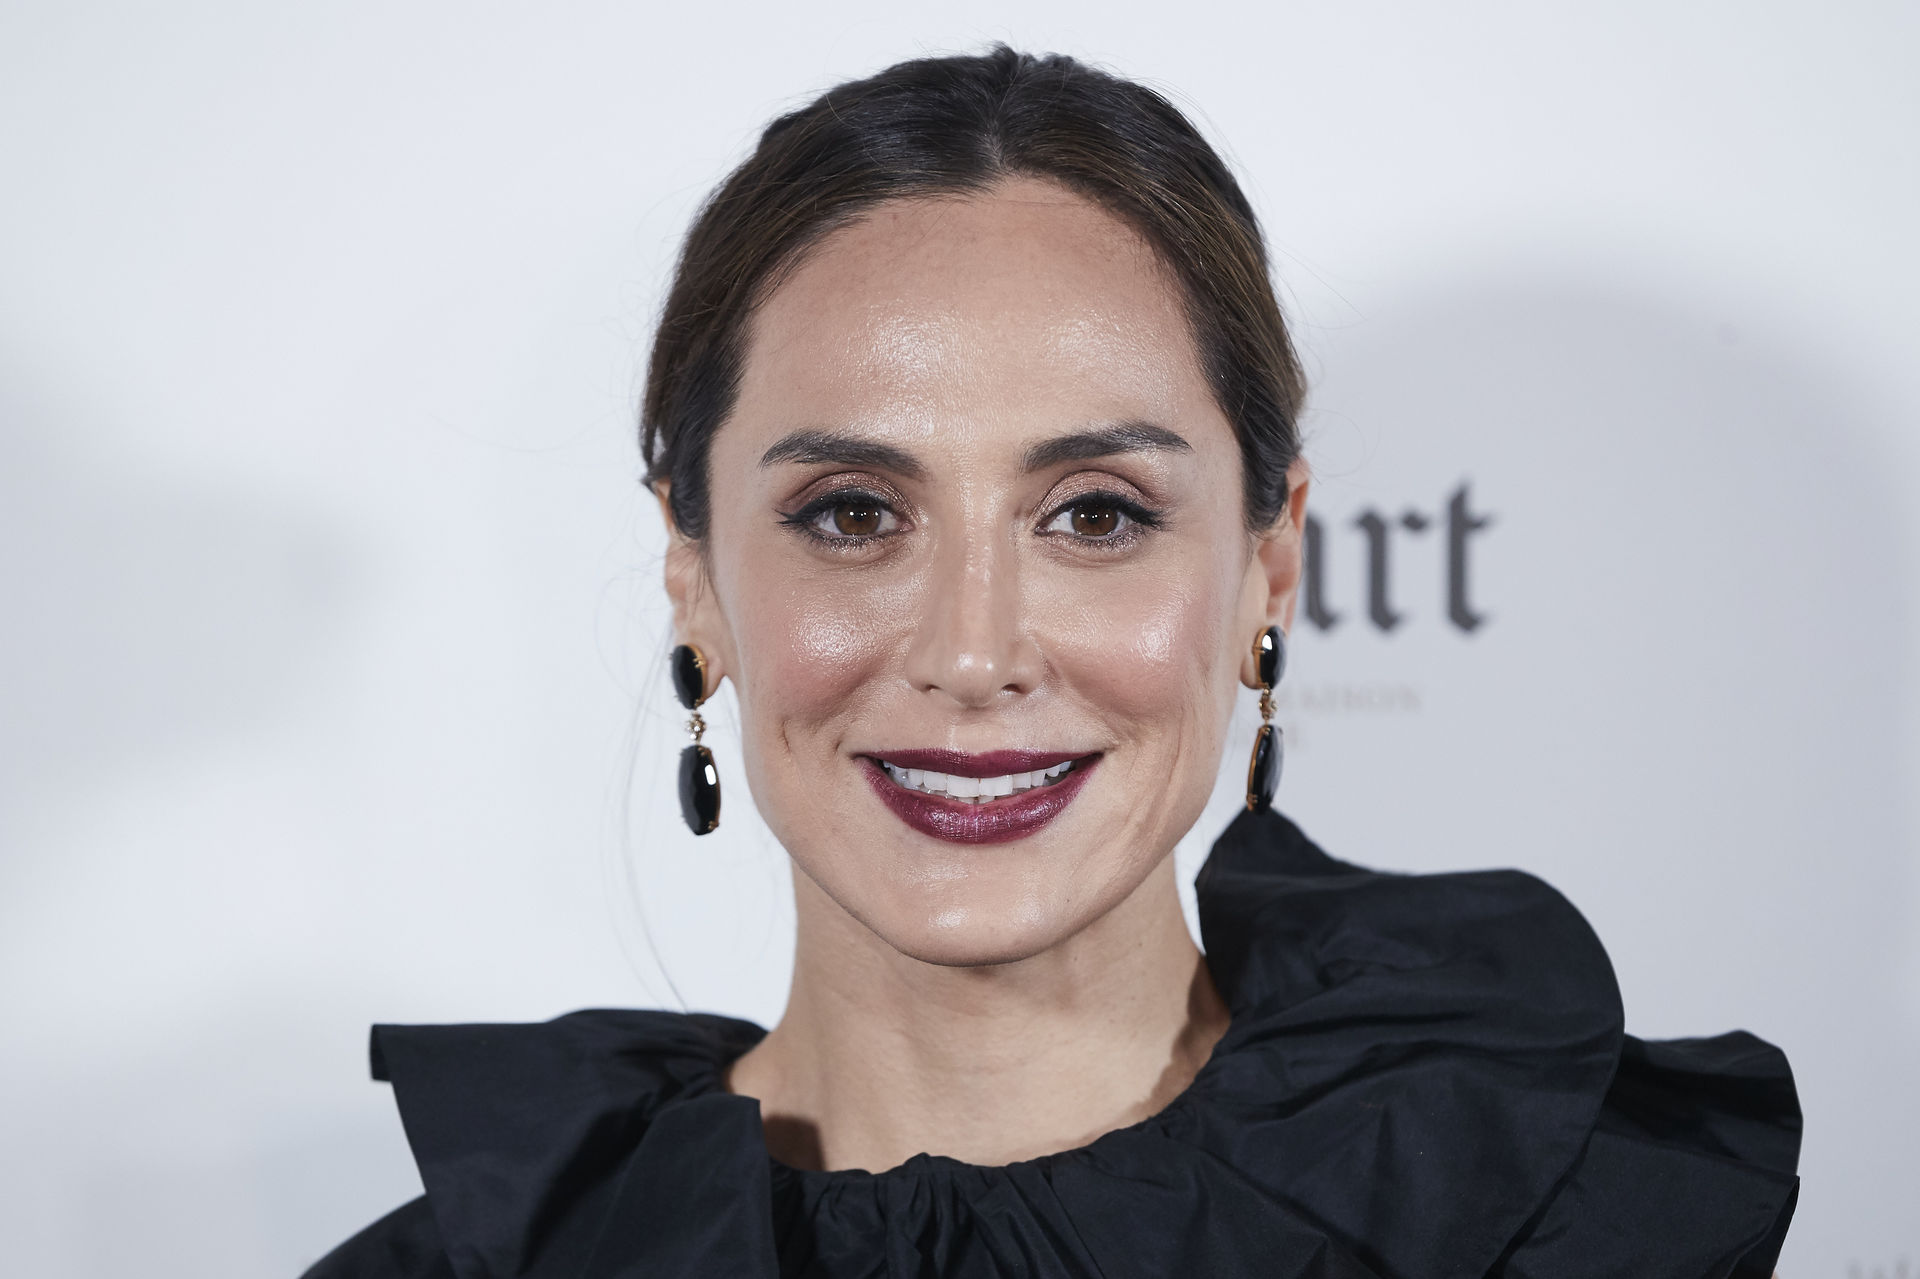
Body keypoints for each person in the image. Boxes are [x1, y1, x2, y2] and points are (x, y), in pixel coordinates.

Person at [304, 45, 1800, 1278]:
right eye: (853, 513)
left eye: (1096, 514)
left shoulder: (1593, 1228)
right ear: (695, 582)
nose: (973, 652)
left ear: (1269, 565)